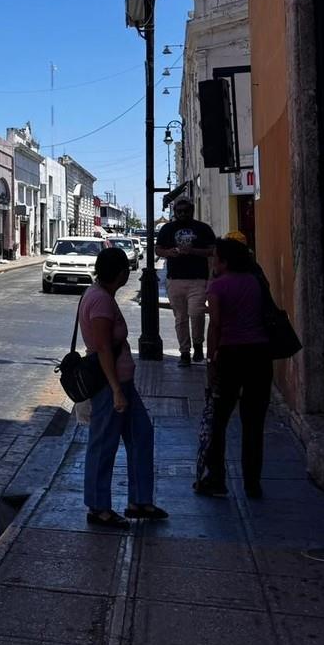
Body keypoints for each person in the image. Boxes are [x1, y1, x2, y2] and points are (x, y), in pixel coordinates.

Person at [80, 246, 166, 527]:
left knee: (142, 434)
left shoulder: (100, 295)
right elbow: (103, 347)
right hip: (110, 384)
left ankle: (140, 500)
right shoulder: (101, 301)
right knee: (103, 443)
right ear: (121, 273)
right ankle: (98, 507)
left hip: (122, 383)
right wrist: (116, 389)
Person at [200, 237, 272, 499]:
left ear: (224, 261)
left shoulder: (217, 287)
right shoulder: (255, 281)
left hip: (231, 355)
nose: (212, 261)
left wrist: (210, 361)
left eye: (215, 257)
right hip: (260, 355)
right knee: (253, 423)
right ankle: (253, 483)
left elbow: (216, 325)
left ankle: (216, 478)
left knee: (219, 420)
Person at [156, 197, 217, 367]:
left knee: (197, 313)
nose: (182, 214)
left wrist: (193, 251)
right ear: (174, 212)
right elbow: (158, 249)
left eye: (186, 211)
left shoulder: (203, 229)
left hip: (198, 279)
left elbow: (213, 250)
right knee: (180, 318)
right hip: (175, 280)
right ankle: (184, 351)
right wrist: (169, 253)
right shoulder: (167, 229)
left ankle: (198, 344)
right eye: (179, 211)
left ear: (192, 210)